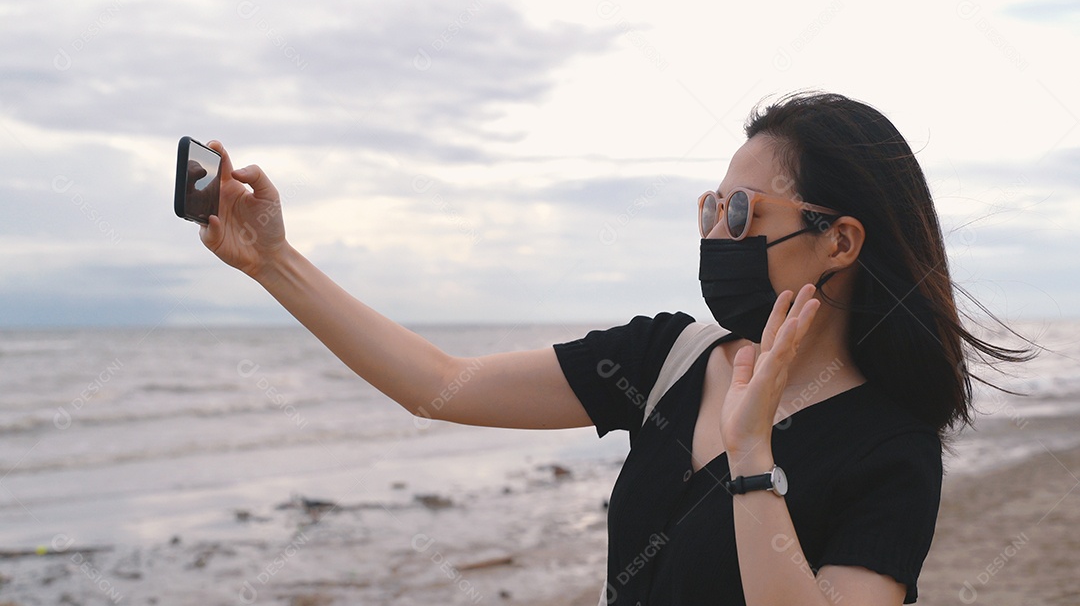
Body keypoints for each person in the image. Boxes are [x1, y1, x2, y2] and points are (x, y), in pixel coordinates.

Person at [197, 92, 1031, 605]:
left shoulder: (892, 452)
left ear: (839, 241)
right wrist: (274, 261)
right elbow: (438, 385)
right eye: (709, 207)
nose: (715, 232)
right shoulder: (662, 360)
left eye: (742, 214)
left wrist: (751, 457)